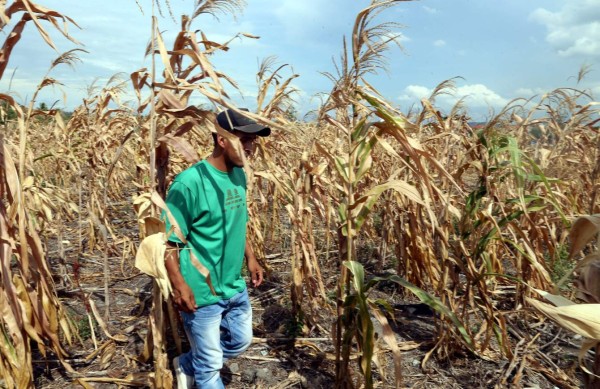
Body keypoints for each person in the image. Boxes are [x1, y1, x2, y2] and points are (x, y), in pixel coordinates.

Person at [163, 108, 270, 388]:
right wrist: (179, 286)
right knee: (210, 368)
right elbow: (168, 242)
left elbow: (237, 221)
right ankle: (201, 368)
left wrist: (251, 258)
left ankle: (187, 363)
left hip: (233, 284)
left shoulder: (238, 176)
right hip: (201, 290)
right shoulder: (189, 183)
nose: (251, 147)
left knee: (240, 340)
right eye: (244, 139)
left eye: (253, 141)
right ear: (222, 140)